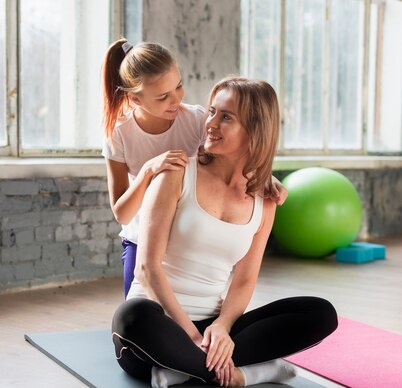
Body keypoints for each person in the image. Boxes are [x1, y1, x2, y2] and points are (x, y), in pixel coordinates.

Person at [111, 76, 338, 388]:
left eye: (226, 117)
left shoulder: (265, 201)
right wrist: (190, 335)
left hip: (213, 328)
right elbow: (147, 269)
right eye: (211, 111)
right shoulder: (176, 173)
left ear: (254, 131)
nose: (211, 124)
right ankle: (249, 373)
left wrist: (222, 327)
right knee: (132, 317)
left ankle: (187, 369)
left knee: (320, 313)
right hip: (162, 323)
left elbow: (245, 280)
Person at [100, 39, 287, 298]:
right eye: (163, 96)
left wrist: (266, 178)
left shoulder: (198, 120)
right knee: (140, 306)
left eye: (178, 86)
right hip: (141, 238)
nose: (176, 99)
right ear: (134, 98)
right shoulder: (119, 135)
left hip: (185, 237)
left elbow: (232, 157)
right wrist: (148, 171)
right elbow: (122, 213)